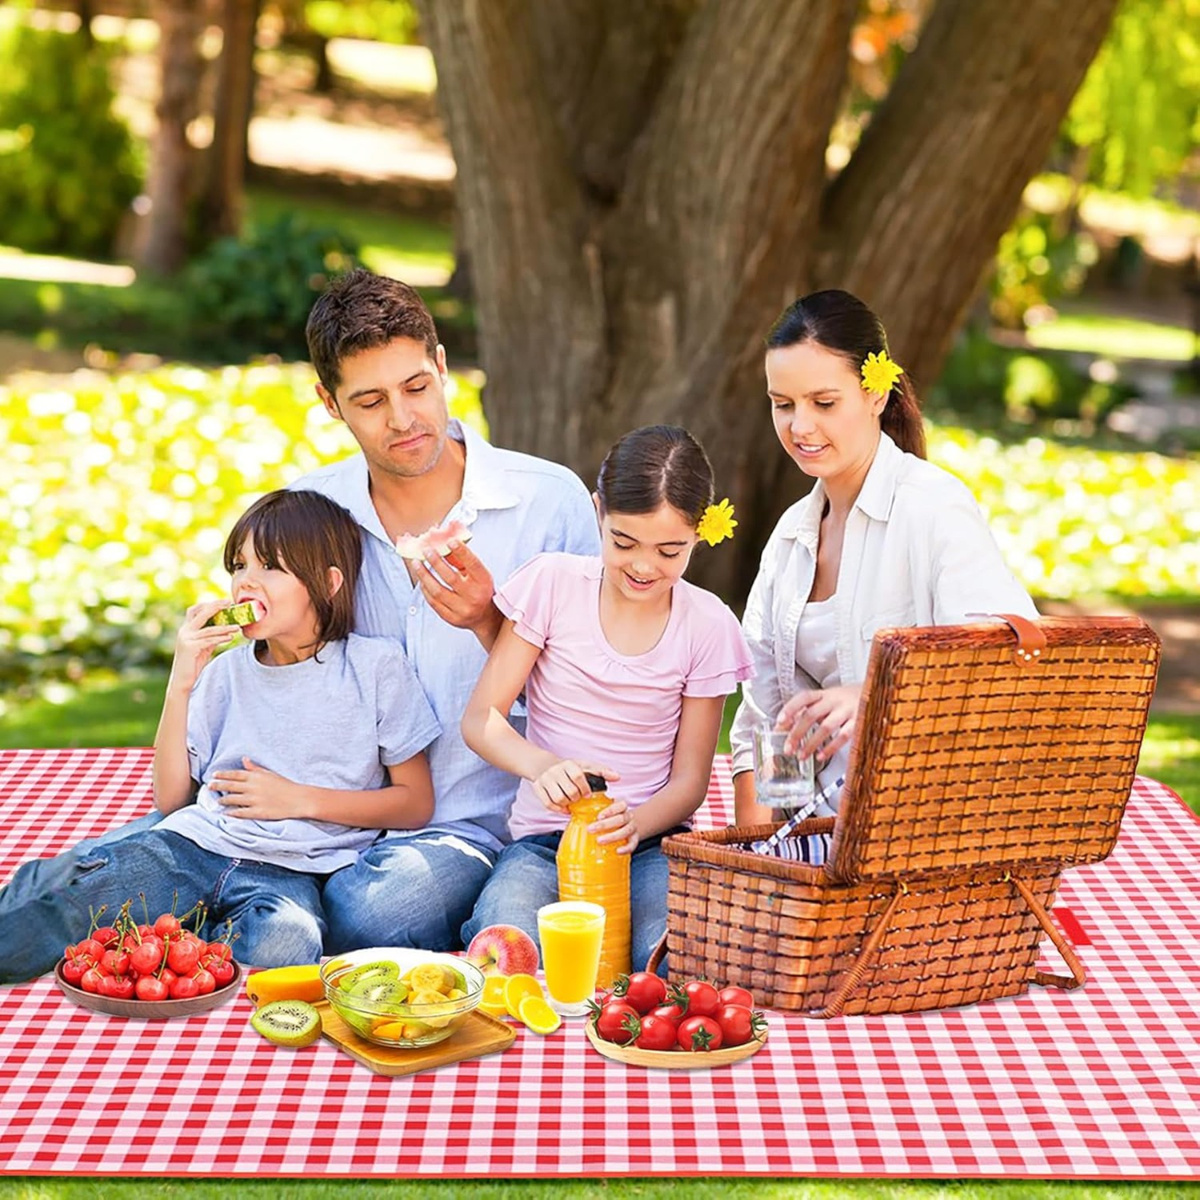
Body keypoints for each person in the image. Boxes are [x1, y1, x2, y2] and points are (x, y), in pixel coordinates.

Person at [0, 489, 440, 982]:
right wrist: (181, 681)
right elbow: (171, 798)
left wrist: (298, 799)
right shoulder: (226, 672)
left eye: (270, 566)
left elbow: (414, 802)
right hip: (191, 848)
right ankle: (96, 894)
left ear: (329, 583)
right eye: (238, 566)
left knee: (290, 940)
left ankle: (174, 935)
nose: (245, 583)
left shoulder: (376, 667)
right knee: (73, 911)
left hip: (289, 871)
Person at [295, 269, 600, 952]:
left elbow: (595, 692)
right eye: (370, 401)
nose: (403, 420)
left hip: (472, 824)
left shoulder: (548, 501)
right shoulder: (307, 512)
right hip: (329, 814)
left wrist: (491, 624)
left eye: (416, 387)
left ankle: (290, 917)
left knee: (371, 915)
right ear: (329, 403)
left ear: (441, 366)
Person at [730, 289, 1038, 853]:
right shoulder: (791, 538)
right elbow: (765, 723)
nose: (801, 426)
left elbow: (1006, 659)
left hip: (930, 836)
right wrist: (760, 860)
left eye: (824, 402)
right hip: (820, 840)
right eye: (783, 403)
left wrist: (873, 691)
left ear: (875, 393)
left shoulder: (932, 507)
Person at [460, 425, 753, 973]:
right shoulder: (552, 585)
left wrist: (638, 824)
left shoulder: (706, 624)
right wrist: (542, 766)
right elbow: (482, 718)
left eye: (669, 551)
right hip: (545, 843)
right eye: (623, 543)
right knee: (508, 937)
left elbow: (690, 781)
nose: (644, 567)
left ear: (701, 534)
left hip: (647, 843)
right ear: (598, 512)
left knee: (670, 952)